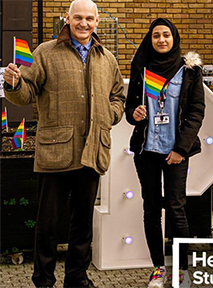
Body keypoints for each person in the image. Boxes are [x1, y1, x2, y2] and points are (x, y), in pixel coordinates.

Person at [2, 0, 125, 287]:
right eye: (78, 17)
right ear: (67, 19)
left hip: (93, 149)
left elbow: (117, 96)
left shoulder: (107, 58)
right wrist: (14, 84)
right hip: (55, 152)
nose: (84, 23)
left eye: (90, 19)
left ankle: (77, 277)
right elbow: (27, 93)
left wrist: (111, 114)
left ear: (97, 21)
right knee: (48, 223)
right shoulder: (45, 52)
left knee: (82, 223)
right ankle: (43, 279)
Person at [125, 18, 205, 288]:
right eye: (156, 35)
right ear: (150, 39)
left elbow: (196, 112)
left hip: (176, 152)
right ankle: (158, 269)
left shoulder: (190, 71)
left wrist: (181, 149)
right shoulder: (142, 68)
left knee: (176, 208)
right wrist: (134, 114)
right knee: (150, 209)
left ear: (174, 39)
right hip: (146, 150)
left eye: (166, 35)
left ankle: (181, 270)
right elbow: (130, 110)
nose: (161, 40)